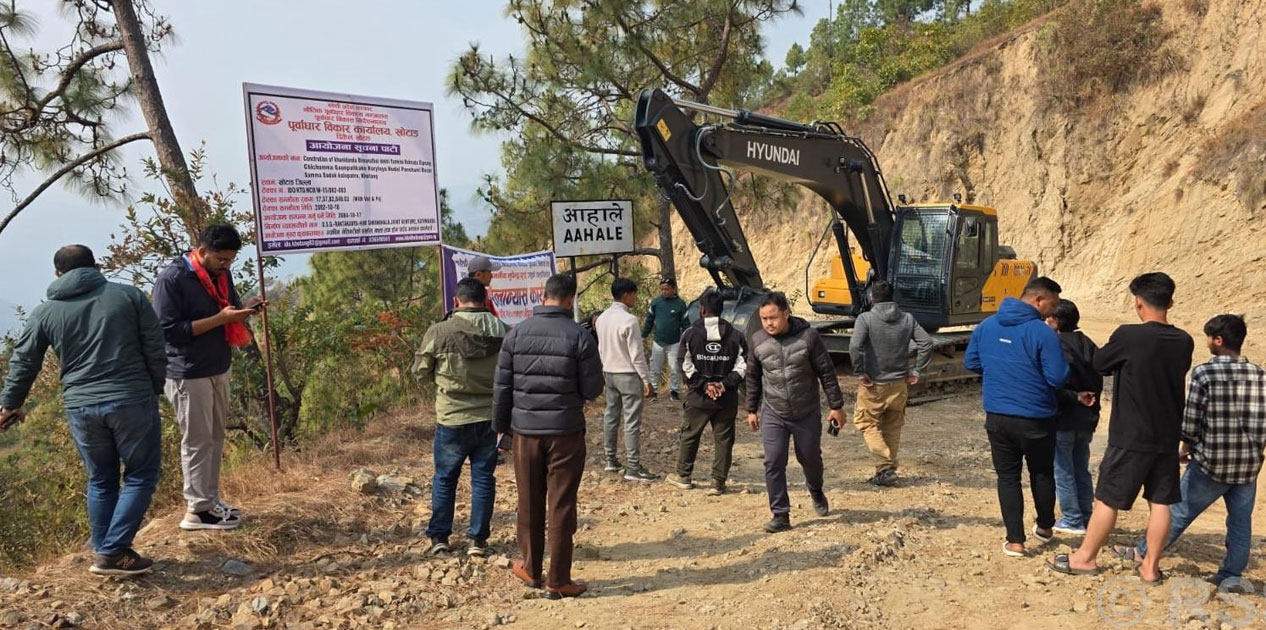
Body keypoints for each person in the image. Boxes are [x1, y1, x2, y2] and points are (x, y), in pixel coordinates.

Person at [0, 245, 166, 576]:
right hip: (131, 398)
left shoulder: (45, 312)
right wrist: (154, 387)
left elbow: (24, 361)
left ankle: (104, 547)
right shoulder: (129, 296)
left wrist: (9, 404)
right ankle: (113, 550)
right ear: (96, 266)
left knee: (101, 478)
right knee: (141, 475)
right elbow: (155, 346)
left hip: (81, 406)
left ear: (58, 274)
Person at [1049, 272, 1194, 584]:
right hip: (1167, 436)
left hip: (1131, 435)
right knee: (1161, 503)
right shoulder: (1184, 340)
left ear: (1138, 303)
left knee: (1108, 499)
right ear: (1170, 302)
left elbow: (1101, 363)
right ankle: (1150, 567)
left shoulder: (1129, 335)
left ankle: (1085, 558)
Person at [1117, 314, 1265, 592]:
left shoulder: (1204, 373)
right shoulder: (1261, 375)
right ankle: (1231, 576)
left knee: (1179, 511)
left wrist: (1185, 447)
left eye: (1209, 337)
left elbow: (1192, 419)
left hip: (1212, 462)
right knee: (1240, 523)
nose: (1207, 342)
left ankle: (1143, 553)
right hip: (1248, 465)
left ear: (1218, 341)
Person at [492, 273, 604, 600]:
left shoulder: (516, 334)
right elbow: (593, 388)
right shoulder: (580, 337)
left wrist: (501, 429)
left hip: (525, 432)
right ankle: (558, 580)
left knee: (528, 501)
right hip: (566, 432)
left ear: (544, 296)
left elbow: (502, 388)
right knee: (562, 504)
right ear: (570, 299)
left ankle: (530, 568)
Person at [153, 224, 261, 531]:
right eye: (221, 260)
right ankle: (196, 510)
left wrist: (245, 310)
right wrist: (220, 320)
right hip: (188, 373)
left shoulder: (221, 273)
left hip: (218, 365)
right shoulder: (172, 279)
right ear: (201, 252)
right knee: (197, 440)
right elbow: (169, 331)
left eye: (230, 260)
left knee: (215, 436)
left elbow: (230, 308)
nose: (226, 266)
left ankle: (210, 502)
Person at [964, 277, 1068, 557]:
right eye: (1053, 304)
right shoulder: (1043, 333)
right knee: (1042, 472)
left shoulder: (986, 326)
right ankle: (1045, 527)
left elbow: (971, 362)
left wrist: (1000, 373)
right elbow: (1057, 377)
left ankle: (1015, 541)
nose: (1053, 311)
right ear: (1038, 300)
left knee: (1007, 477)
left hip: (997, 416)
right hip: (1037, 417)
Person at [412, 277, 509, 558]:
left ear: (456, 301)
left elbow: (419, 373)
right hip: (488, 419)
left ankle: (440, 537)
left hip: (452, 417)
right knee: (483, 479)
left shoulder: (439, 331)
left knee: (445, 479)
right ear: (484, 299)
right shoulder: (502, 330)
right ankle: (477, 541)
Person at [745, 292, 846, 533]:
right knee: (773, 461)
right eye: (764, 318)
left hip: (806, 411)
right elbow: (752, 376)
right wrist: (751, 409)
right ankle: (780, 514)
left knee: (810, 458)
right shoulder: (757, 340)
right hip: (773, 412)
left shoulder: (809, 337)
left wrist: (836, 406)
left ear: (786, 314)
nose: (769, 323)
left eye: (773, 318)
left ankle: (816, 490)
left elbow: (827, 373)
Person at [848, 281, 933, 487]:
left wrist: (860, 372)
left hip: (873, 384)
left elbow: (855, 346)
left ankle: (885, 467)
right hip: (899, 384)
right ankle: (887, 472)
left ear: (871, 298)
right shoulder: (907, 319)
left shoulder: (865, 319)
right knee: (892, 427)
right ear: (893, 298)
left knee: (867, 423)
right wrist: (917, 370)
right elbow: (926, 342)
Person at [666, 290, 746, 495]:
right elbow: (743, 366)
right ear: (722, 310)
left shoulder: (690, 334)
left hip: (698, 399)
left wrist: (704, 386)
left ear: (702, 310)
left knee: (690, 435)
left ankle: (684, 476)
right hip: (726, 399)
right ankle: (718, 482)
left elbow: (684, 365)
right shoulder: (736, 335)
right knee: (724, 440)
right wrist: (723, 385)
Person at [1045, 299, 1103, 536]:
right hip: (1087, 418)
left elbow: (1055, 381)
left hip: (1065, 416)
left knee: (1063, 469)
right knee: (1081, 467)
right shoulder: (1088, 343)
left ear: (1056, 321)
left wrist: (1073, 397)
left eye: (1048, 319)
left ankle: (1071, 518)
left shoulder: (1055, 345)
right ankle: (1087, 516)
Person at [595, 277, 657, 482]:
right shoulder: (629, 320)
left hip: (609, 373)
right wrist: (647, 380)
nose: (635, 298)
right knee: (632, 421)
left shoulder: (602, 318)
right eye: (634, 294)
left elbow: (601, 348)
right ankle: (633, 466)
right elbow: (637, 355)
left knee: (611, 415)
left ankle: (610, 459)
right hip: (628, 374)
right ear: (627, 294)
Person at [642, 277, 689, 402]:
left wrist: (688, 339)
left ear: (673, 289)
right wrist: (644, 335)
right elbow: (649, 320)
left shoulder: (680, 304)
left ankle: (674, 391)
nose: (664, 291)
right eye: (662, 289)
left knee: (675, 368)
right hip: (658, 342)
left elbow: (686, 324)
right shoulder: (656, 303)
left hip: (674, 342)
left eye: (667, 289)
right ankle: (654, 391)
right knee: (655, 368)